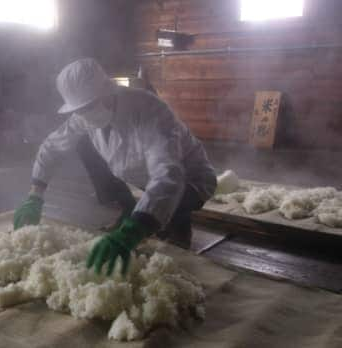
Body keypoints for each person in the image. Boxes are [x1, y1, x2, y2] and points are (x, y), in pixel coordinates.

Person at [13, 58, 217, 277]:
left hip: (189, 180)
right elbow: (53, 147)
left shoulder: (150, 110)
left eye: (90, 105)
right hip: (141, 178)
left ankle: (177, 227)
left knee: (170, 234)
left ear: (108, 91)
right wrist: (35, 195)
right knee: (80, 143)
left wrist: (134, 230)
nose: (86, 112)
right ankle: (127, 206)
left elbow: (168, 174)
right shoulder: (84, 117)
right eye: (80, 108)